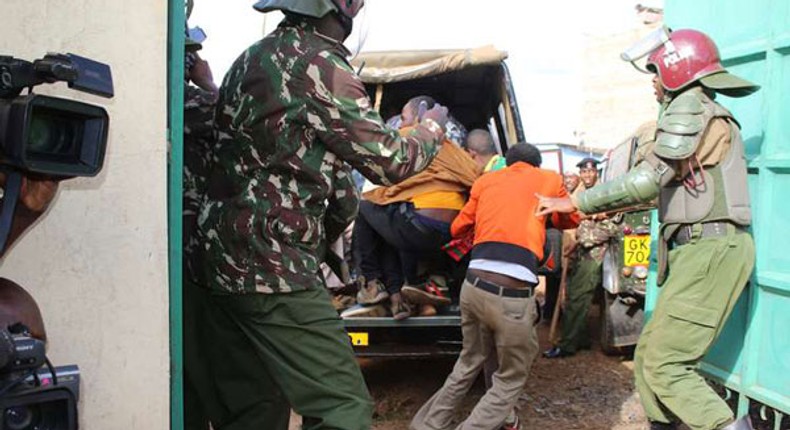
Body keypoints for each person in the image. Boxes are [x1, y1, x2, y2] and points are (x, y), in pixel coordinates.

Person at [186, 1, 450, 429]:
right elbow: (389, 161)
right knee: (342, 408)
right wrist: (432, 127)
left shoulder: (251, 57)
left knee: (254, 407)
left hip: (217, 262)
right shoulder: (321, 64)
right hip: (274, 269)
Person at [536, 27, 758, 430]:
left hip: (710, 248)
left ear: (678, 71)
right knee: (647, 357)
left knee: (665, 362)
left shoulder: (690, 107)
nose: (653, 83)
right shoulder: (697, 112)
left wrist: (576, 202)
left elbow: (644, 181)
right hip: (698, 249)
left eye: (656, 72)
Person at [411, 143, 579, 430]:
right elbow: (572, 217)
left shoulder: (485, 181)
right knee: (511, 376)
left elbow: (456, 229)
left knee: (469, 361)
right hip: (512, 295)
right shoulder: (548, 178)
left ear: (507, 162)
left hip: (473, 285)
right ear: (535, 164)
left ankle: (426, 425)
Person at [349, 96, 480, 319]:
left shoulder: (405, 140)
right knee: (386, 221)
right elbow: (476, 180)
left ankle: (372, 284)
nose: (400, 125)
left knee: (366, 207)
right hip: (451, 233)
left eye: (403, 117)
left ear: (420, 118)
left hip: (418, 226)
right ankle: (404, 295)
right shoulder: (456, 151)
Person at [544, 158, 618, 358]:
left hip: (595, 252)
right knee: (576, 297)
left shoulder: (605, 194)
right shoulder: (582, 193)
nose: (587, 175)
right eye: (583, 172)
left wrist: (582, 240)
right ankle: (581, 339)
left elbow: (611, 227)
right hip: (582, 250)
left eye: (590, 172)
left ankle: (567, 345)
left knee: (577, 297)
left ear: (596, 173)